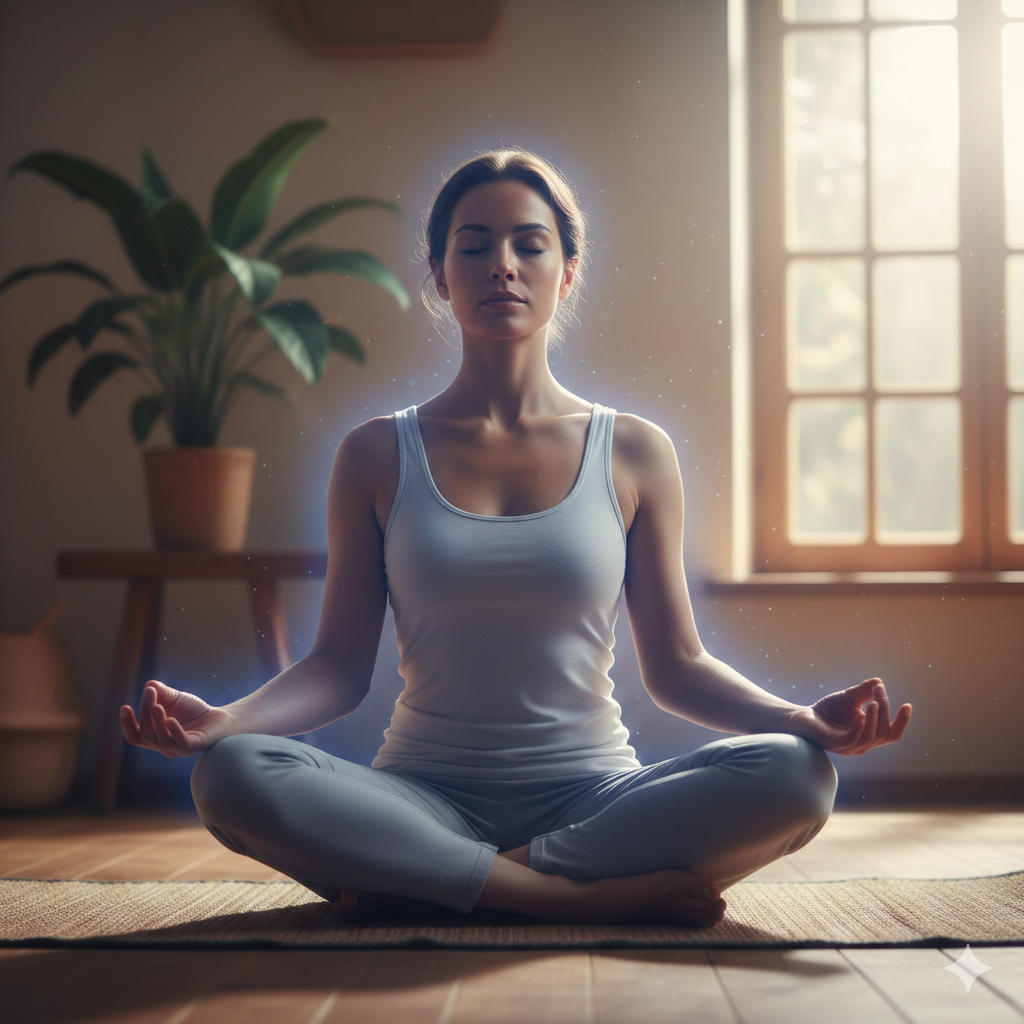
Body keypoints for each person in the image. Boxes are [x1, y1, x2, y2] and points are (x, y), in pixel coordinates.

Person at [121, 149, 912, 927]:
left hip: (595, 799)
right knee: (230, 773)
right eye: (473, 246)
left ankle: (430, 881)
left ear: (567, 273)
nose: (502, 264)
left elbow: (679, 667)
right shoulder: (374, 453)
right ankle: (570, 897)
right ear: (441, 277)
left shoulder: (635, 451)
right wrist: (227, 720)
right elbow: (336, 668)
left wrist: (799, 718)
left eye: (530, 244)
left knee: (797, 775)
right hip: (419, 797)